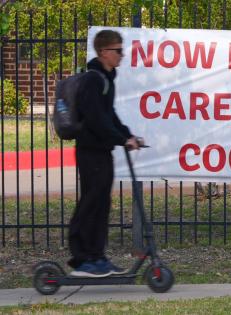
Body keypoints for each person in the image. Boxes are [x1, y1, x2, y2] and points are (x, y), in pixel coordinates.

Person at [68, 30, 144, 277]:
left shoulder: (106, 78)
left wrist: (127, 135)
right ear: (103, 52)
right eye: (117, 50)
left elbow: (109, 116)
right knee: (92, 201)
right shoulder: (93, 80)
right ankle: (82, 259)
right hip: (90, 152)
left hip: (101, 151)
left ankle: (97, 256)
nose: (122, 55)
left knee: (101, 202)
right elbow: (96, 119)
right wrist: (122, 139)